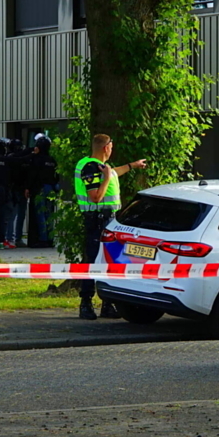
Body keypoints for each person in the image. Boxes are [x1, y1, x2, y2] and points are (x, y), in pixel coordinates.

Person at [75, 133, 148, 320]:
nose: (112, 149)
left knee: (110, 262)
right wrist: (107, 177)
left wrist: (132, 165)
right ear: (106, 147)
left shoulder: (98, 166)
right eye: (112, 146)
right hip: (97, 220)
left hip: (109, 220)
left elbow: (113, 172)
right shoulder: (90, 167)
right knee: (92, 261)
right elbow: (96, 197)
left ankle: (107, 305)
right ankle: (86, 304)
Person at [27, 133, 59, 248]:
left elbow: (33, 174)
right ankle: (50, 238)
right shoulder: (52, 160)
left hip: (40, 188)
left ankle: (43, 238)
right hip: (51, 188)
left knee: (40, 213)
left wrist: (28, 187)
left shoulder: (37, 159)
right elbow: (57, 176)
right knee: (49, 214)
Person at [5, 137, 29, 249]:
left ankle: (12, 237)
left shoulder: (10, 158)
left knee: (14, 215)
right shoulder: (15, 159)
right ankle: (13, 238)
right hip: (18, 189)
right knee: (16, 215)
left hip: (15, 189)